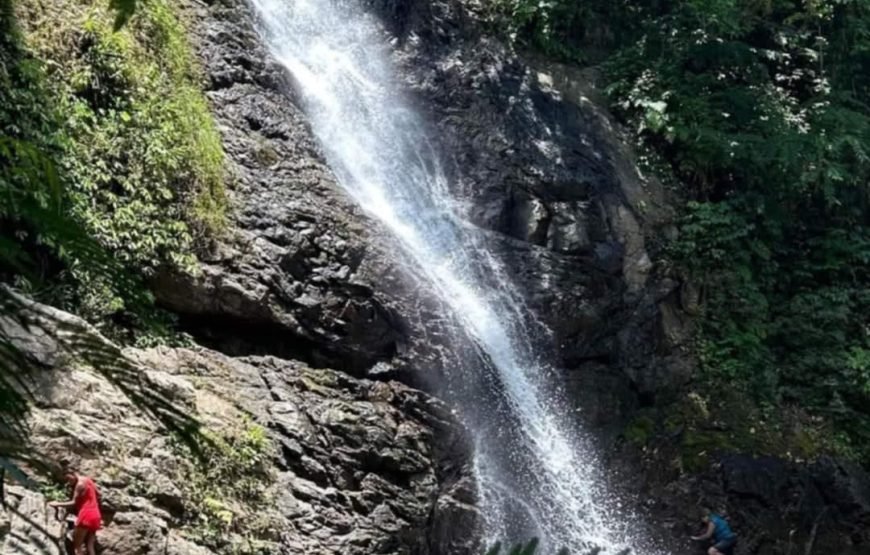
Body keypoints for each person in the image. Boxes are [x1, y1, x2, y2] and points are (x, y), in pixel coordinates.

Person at [48, 467, 101, 555]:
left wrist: (57, 503)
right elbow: (99, 494)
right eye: (66, 480)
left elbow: (73, 503)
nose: (69, 482)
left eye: (69, 478)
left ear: (74, 474)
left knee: (77, 547)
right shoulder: (87, 480)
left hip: (85, 515)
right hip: (96, 515)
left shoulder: (79, 485)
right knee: (90, 546)